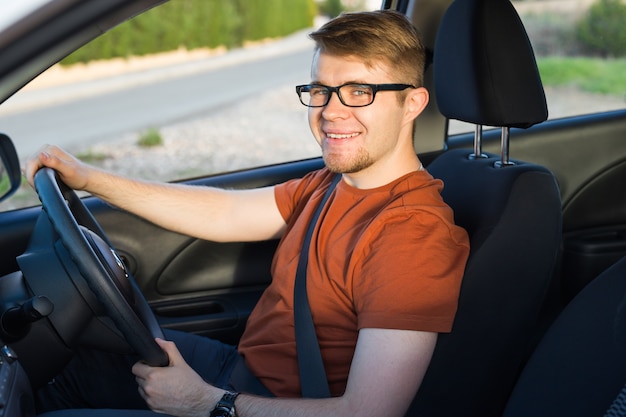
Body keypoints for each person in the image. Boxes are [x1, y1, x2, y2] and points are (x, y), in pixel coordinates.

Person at [26, 9, 469, 417]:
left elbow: (368, 413)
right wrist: (87, 178)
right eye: (320, 90)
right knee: (58, 357)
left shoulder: (412, 234)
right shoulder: (333, 182)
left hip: (261, 402)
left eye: (359, 92)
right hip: (240, 371)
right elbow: (225, 213)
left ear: (412, 103)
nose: (331, 111)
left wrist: (207, 403)